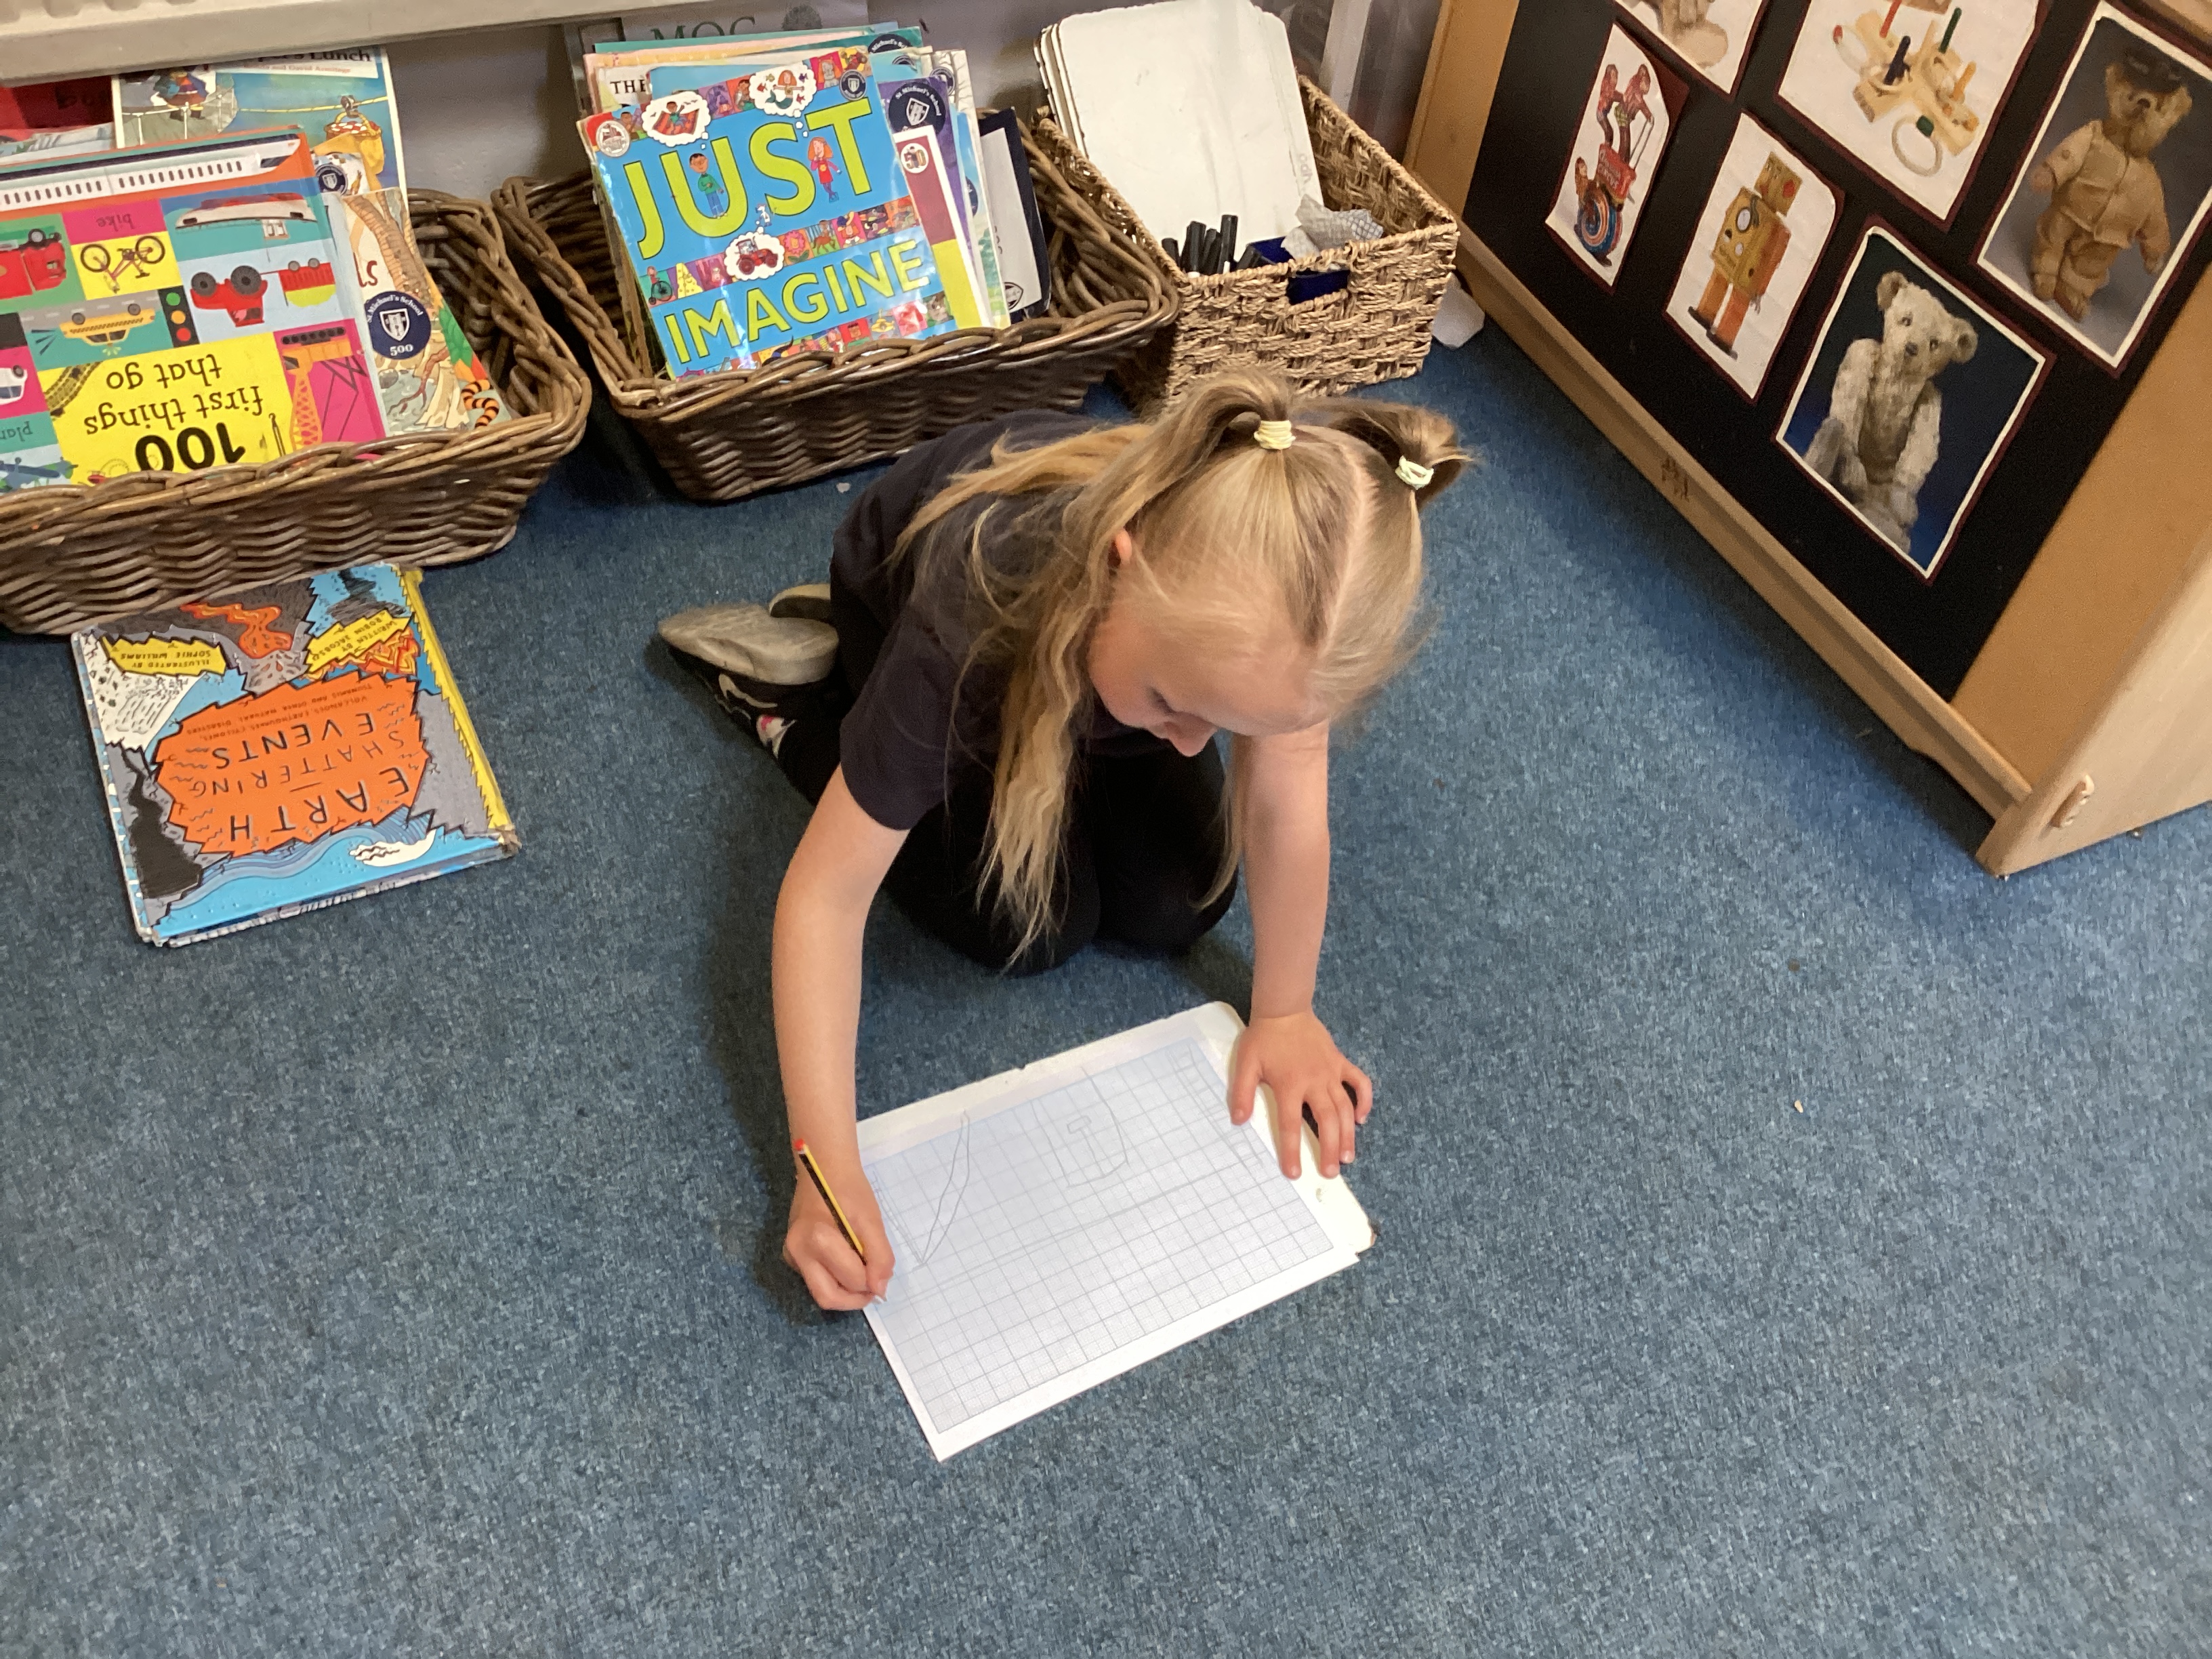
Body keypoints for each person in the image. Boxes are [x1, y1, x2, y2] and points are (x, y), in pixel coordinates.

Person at [658, 369, 1468, 1311]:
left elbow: (1287, 810)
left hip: (1101, 669)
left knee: (1183, 898)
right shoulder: (973, 606)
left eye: (1227, 723)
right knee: (1026, 924)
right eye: (1177, 706)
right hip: (936, 627)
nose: (1198, 745)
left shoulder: (1296, 617)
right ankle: (803, 708)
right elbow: (824, 899)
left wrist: (1285, 1013)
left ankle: (1102, 714)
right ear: (1121, 565)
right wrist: (823, 1164)